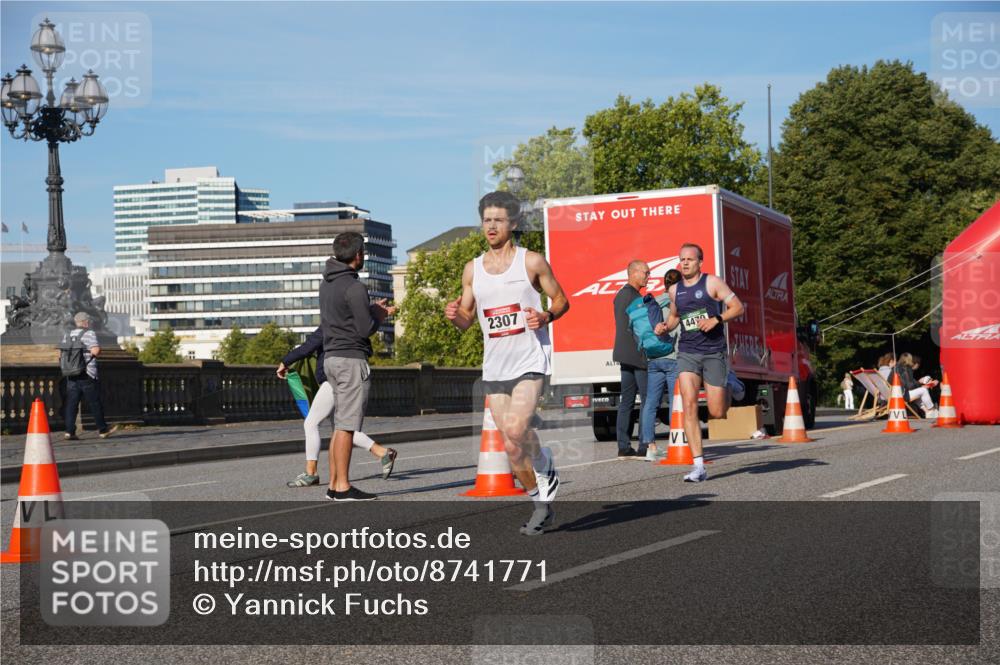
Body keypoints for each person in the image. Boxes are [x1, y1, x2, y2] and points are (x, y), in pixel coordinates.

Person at [445, 191, 569, 535]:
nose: (491, 226)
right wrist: (454, 316)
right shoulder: (472, 270)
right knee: (512, 447)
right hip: (495, 366)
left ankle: (543, 463)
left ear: (513, 223)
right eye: (487, 220)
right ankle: (540, 505)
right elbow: (466, 319)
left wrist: (545, 316)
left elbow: (561, 299)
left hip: (529, 360)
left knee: (516, 430)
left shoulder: (532, 262)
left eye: (498, 220)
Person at [658, 243, 745, 483]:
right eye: (682, 259)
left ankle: (730, 383)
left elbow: (738, 307)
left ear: (700, 262)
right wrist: (665, 327)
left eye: (690, 259)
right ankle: (698, 466)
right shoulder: (675, 290)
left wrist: (717, 319)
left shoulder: (712, 283)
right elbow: (675, 317)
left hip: (714, 351)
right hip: (687, 351)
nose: (685, 263)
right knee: (689, 406)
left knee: (717, 411)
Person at [319, 231, 394, 501]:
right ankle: (342, 487)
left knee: (340, 426)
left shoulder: (327, 283)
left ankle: (334, 485)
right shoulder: (355, 287)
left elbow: (345, 318)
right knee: (347, 426)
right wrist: (380, 315)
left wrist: (369, 310)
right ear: (358, 255)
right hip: (351, 359)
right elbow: (364, 329)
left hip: (331, 357)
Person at [277, 326, 397, 488]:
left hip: (332, 379)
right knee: (342, 428)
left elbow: (307, 347)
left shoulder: (331, 324)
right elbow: (367, 348)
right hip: (351, 375)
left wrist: (285, 362)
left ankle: (311, 473)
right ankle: (382, 452)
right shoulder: (353, 327)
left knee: (311, 423)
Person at [638, 268, 682, 461]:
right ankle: (676, 443)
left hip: (653, 358)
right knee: (675, 401)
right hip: (672, 357)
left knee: (650, 403)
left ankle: (651, 447)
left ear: (664, 284)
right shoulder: (678, 302)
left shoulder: (653, 301)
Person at [612, 260, 650, 459]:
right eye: (645, 272)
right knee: (647, 400)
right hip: (637, 354)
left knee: (626, 400)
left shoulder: (620, 295)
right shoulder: (635, 298)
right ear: (633, 273)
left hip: (623, 354)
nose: (648, 276)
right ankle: (644, 445)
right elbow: (642, 328)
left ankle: (623, 446)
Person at [62, 312, 118, 440]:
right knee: (94, 403)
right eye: (89, 321)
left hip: (71, 374)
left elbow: (62, 354)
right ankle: (103, 430)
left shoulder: (67, 335)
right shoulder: (89, 333)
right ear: (86, 322)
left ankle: (69, 432)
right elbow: (95, 351)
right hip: (87, 373)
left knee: (71, 404)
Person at [894, 352, 937, 418]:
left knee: (920, 392)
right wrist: (920, 382)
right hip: (902, 395)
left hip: (895, 393)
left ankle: (927, 412)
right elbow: (909, 386)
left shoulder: (896, 368)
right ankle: (932, 410)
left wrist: (920, 383)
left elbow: (909, 383)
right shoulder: (905, 369)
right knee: (924, 390)